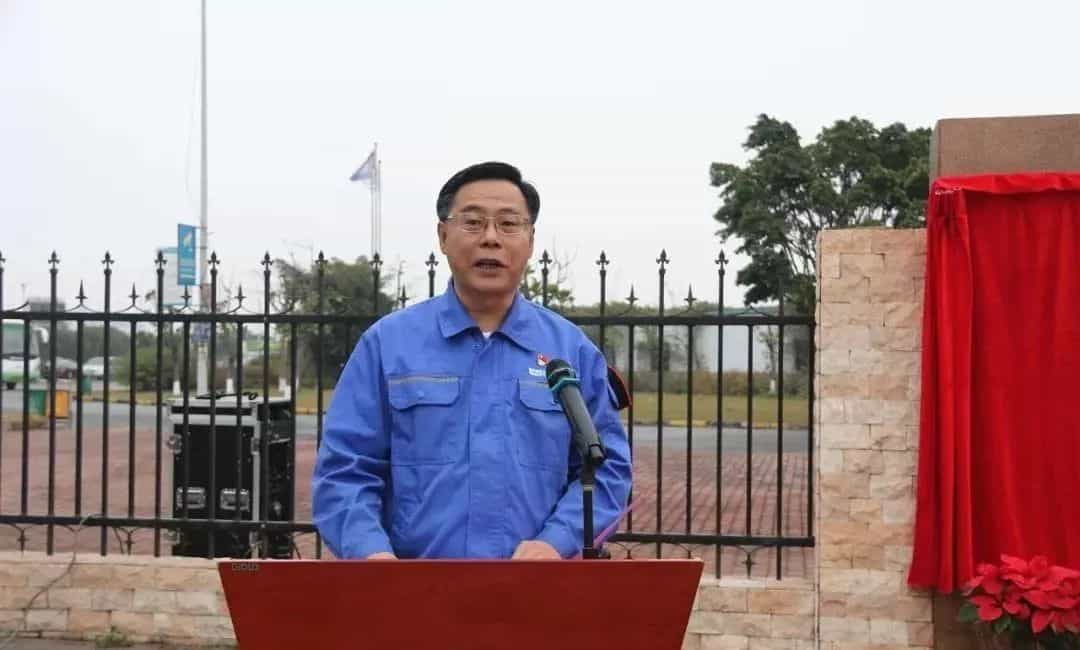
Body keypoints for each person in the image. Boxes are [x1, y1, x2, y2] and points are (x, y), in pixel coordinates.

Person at [311, 161, 632, 560]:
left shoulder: (571, 351)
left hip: (537, 585)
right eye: (473, 222)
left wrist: (556, 542)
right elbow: (345, 470)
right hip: (413, 585)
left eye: (509, 224)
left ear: (531, 240)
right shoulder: (387, 345)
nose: (491, 238)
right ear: (443, 236)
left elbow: (606, 470)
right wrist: (371, 554)